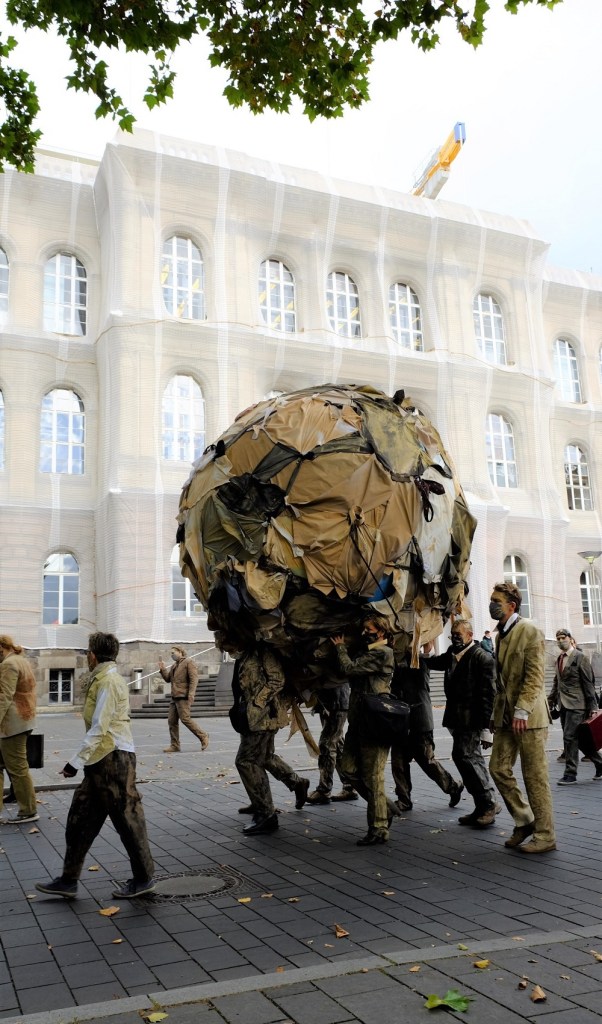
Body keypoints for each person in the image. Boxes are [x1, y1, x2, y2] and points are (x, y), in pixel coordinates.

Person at [35, 632, 155, 899]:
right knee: (79, 818)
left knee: (128, 820)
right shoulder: (101, 679)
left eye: (87, 652)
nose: (86, 656)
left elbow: (100, 727)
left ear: (93, 655)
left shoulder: (109, 681)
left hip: (114, 759)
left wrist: (74, 762)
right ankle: (69, 880)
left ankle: (144, 878)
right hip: (100, 760)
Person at [488, 582, 556, 855]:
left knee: (534, 776)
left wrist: (522, 710)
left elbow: (535, 675)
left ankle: (545, 835)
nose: (492, 605)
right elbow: (501, 682)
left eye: (496, 601)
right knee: (498, 768)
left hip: (529, 718)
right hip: (506, 716)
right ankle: (525, 820)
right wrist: (495, 715)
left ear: (511, 606)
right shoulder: (500, 634)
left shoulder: (529, 630)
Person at [331, 614, 398, 846]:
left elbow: (348, 668)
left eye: (369, 629)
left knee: (373, 776)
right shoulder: (368, 650)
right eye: (364, 629)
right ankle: (386, 808)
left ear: (381, 631)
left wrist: (340, 647)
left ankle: (379, 828)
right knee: (348, 768)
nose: (364, 633)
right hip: (359, 720)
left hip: (376, 722)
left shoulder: (382, 653)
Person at [232, 644, 310, 836]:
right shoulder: (245, 653)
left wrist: (257, 702)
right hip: (251, 717)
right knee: (265, 757)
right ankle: (296, 783)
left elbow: (277, 679)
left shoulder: (262, 651)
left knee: (246, 761)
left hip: (264, 716)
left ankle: (266, 813)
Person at [427, 619, 498, 826]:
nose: (455, 639)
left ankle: (488, 803)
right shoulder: (452, 652)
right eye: (452, 635)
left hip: (472, 720)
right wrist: (420, 654)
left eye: (458, 635)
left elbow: (488, 695)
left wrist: (486, 729)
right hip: (457, 718)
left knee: (465, 756)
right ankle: (482, 805)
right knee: (469, 759)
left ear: (470, 635)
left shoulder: (482, 658)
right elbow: (438, 662)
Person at [390, 646, 463, 814]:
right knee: (398, 762)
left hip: (419, 720)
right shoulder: (395, 663)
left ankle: (453, 787)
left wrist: (422, 648)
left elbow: (432, 657)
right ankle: (404, 799)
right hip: (401, 721)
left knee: (427, 760)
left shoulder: (420, 662)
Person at [549, 628, 602, 785]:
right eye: (558, 638)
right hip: (563, 705)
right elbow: (557, 682)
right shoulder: (559, 658)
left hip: (578, 705)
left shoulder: (580, 657)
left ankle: (570, 774)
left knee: (569, 737)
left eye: (563, 638)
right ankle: (600, 764)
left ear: (570, 639)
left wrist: (593, 707)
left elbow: (588, 683)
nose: (560, 641)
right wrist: (551, 700)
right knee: (582, 740)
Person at [0, 635, 39, 825]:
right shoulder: (20, 660)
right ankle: (28, 809)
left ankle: (29, 811)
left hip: (12, 724)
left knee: (17, 768)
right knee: (12, 766)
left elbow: (4, 696)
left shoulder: (8, 664)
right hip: (23, 720)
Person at [306, 684, 358, 805]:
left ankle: (324, 790)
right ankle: (349, 786)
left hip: (336, 701)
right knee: (336, 743)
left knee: (327, 744)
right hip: (329, 701)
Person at [159, 645, 209, 753]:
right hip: (174, 697)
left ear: (180, 652)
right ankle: (175, 745)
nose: (172, 655)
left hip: (183, 696)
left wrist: (191, 693)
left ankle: (203, 736)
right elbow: (168, 679)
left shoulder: (188, 662)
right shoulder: (174, 665)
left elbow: (194, 679)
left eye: (173, 653)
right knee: (172, 721)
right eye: (171, 653)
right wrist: (162, 669)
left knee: (185, 719)